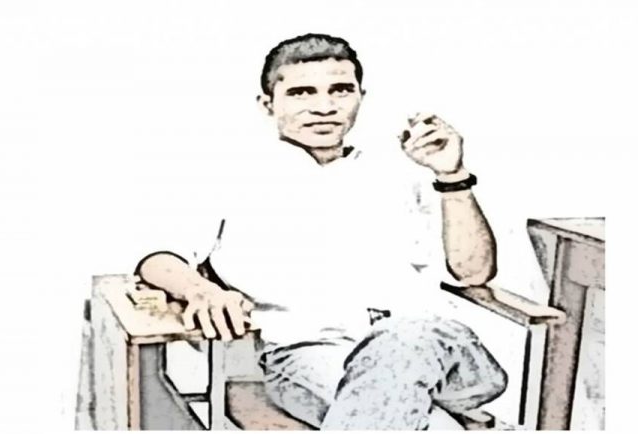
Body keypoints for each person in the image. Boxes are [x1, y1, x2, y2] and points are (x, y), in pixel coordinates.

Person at [135, 33, 507, 430]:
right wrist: (202, 291)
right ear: (267, 104)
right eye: (301, 93)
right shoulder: (233, 175)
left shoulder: (403, 169)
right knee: (429, 422)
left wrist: (452, 175)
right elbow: (158, 258)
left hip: (442, 353)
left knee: (405, 339)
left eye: (340, 90)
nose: (324, 107)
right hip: (312, 356)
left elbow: (473, 272)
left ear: (361, 96)